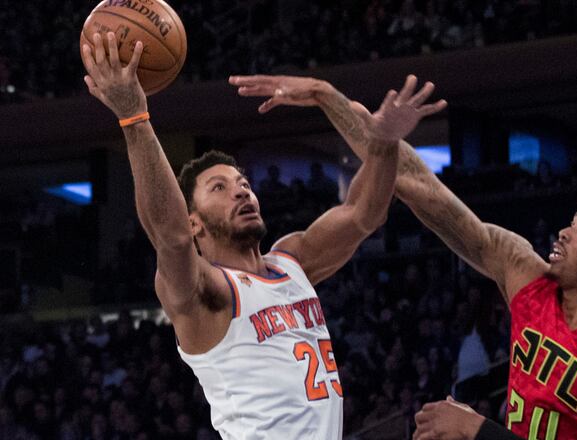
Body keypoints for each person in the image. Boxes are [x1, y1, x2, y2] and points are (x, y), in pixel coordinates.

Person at [230, 75, 577, 439]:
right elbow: (423, 188)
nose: (566, 232)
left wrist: (477, 430)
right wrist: (329, 97)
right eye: (572, 220)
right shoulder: (527, 276)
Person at [80, 32, 445, 439]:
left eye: (243, 183)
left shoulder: (292, 260)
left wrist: (384, 142)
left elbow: (363, 213)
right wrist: (134, 118)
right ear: (195, 220)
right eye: (219, 188)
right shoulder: (207, 292)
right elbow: (172, 239)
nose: (240, 190)